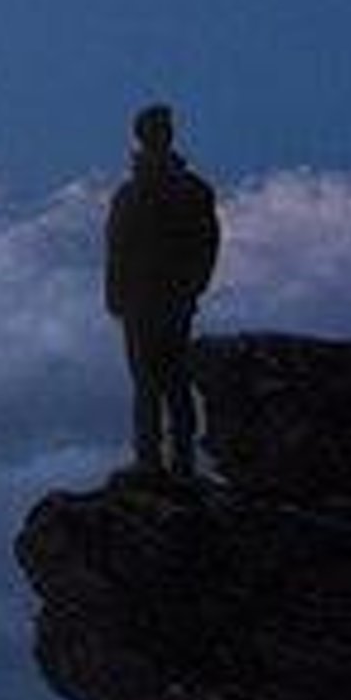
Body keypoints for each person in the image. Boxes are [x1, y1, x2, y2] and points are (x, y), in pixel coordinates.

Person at [105, 104, 220, 480]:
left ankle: (151, 459)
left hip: (145, 299)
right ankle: (178, 459)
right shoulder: (192, 191)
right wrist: (194, 285)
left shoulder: (132, 194)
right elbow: (208, 243)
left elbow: (117, 249)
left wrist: (116, 295)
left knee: (149, 381)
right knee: (172, 379)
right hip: (170, 298)